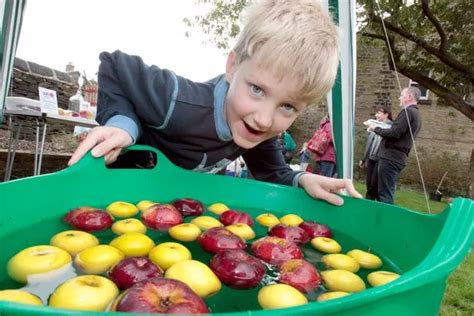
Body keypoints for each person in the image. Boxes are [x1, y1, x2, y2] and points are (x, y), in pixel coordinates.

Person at [68, 0, 362, 206]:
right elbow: (115, 66)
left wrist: (302, 180)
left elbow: (273, 172)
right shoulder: (177, 101)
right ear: (233, 66)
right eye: (257, 89)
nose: (264, 118)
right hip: (119, 192)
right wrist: (123, 125)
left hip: (174, 208)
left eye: (288, 107)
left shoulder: (257, 131)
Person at [368, 87, 422, 204]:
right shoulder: (417, 114)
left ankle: (386, 221)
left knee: (384, 193)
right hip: (395, 157)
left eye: (402, 95)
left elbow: (394, 133)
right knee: (377, 190)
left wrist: (375, 128)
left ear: (409, 97)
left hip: (391, 157)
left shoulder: (408, 112)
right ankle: (377, 219)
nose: (399, 98)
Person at [359, 107, 392, 200]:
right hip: (371, 159)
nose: (376, 115)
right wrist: (364, 159)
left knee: (375, 185)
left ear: (386, 114)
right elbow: (369, 144)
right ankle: (368, 203)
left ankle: (374, 204)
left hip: (381, 160)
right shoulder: (373, 125)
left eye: (379, 113)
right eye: (376, 113)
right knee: (369, 183)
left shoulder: (390, 128)